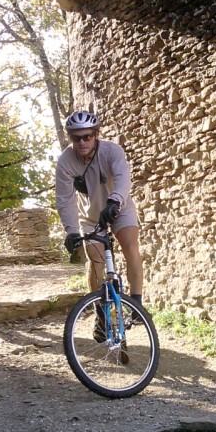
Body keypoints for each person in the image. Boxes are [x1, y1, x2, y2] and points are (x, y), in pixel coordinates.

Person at [55, 111, 144, 338]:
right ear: (71, 138)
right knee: (95, 260)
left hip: (119, 208)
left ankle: (137, 305)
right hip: (91, 217)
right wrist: (71, 230)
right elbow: (65, 198)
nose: (82, 142)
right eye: (77, 138)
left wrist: (115, 201)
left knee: (130, 248)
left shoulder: (112, 151)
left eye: (87, 136)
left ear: (96, 134)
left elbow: (124, 178)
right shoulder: (66, 161)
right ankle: (100, 314)